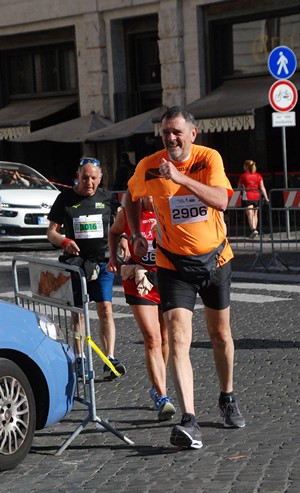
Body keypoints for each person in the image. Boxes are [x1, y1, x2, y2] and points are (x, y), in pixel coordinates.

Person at [125, 105, 245, 450]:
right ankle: (189, 420)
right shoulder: (148, 166)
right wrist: (136, 233)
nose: (172, 138)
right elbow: (130, 196)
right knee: (178, 338)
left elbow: (222, 200)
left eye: (177, 132)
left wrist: (180, 179)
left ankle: (227, 396)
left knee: (220, 335)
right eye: (166, 133)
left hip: (216, 260)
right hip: (173, 264)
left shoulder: (209, 159)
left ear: (193, 133)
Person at [47, 156, 126, 380]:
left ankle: (109, 358)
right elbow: (51, 232)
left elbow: (119, 227)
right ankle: (80, 357)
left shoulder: (108, 199)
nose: (89, 182)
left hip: (102, 262)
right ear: (77, 177)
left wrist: (123, 241)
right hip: (76, 264)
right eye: (84, 177)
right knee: (79, 315)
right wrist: (63, 242)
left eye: (93, 178)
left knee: (106, 309)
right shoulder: (65, 198)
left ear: (100, 179)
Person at [107, 196, 176, 421]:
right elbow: (114, 232)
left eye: (153, 193)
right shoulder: (128, 213)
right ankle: (163, 396)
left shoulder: (167, 209)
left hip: (166, 278)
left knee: (165, 338)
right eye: (146, 194)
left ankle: (158, 386)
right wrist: (114, 257)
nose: (151, 198)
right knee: (152, 338)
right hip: (138, 280)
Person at [237, 159, 269, 239]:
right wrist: (266, 197)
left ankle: (253, 230)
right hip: (257, 196)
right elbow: (262, 187)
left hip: (247, 196)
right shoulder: (258, 176)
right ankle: (255, 229)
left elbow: (239, 188)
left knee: (249, 213)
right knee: (255, 213)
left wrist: (238, 196)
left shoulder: (243, 176)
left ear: (246, 166)